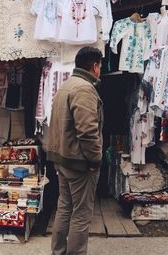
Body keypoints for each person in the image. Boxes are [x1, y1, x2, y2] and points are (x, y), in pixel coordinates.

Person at [47, 47, 103, 255]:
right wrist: (95, 160)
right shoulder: (84, 89)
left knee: (65, 208)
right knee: (81, 214)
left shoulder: (67, 86)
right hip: (78, 162)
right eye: (100, 66)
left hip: (63, 158)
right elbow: (88, 131)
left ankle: (58, 252)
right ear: (95, 66)